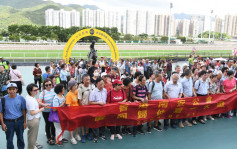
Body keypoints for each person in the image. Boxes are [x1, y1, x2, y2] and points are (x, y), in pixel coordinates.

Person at [0, 83, 27, 149]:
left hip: (19, 121)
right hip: (8, 122)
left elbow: (23, 110)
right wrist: (2, 124)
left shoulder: (21, 98)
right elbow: (0, 112)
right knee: (9, 140)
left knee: (20, 138)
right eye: (10, 89)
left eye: (13, 89)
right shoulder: (3, 100)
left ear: (17, 90)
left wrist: (24, 122)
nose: (12, 91)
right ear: (7, 90)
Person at [25, 83, 44, 149]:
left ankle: (34, 144)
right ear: (30, 91)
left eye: (37, 89)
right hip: (33, 119)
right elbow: (32, 112)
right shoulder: (31, 100)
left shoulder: (30, 97)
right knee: (32, 136)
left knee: (33, 134)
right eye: (35, 90)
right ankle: (31, 147)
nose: (37, 91)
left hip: (34, 118)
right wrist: (40, 110)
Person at [38, 78, 56, 145]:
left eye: (50, 84)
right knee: (48, 124)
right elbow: (39, 102)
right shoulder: (42, 93)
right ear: (44, 86)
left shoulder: (54, 91)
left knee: (53, 124)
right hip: (46, 111)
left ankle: (53, 136)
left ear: (52, 84)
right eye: (46, 85)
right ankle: (49, 138)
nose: (48, 86)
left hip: (54, 110)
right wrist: (44, 105)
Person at [89, 78, 107, 143]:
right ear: (96, 84)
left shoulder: (105, 90)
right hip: (96, 110)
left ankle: (102, 135)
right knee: (96, 123)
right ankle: (95, 136)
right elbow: (90, 102)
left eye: (103, 84)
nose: (102, 85)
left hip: (103, 109)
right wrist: (99, 103)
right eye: (100, 84)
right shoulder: (93, 92)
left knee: (103, 122)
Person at [78, 74, 94, 143]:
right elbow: (79, 100)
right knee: (83, 122)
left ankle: (87, 133)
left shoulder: (92, 87)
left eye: (89, 79)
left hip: (90, 108)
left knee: (88, 121)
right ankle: (83, 135)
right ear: (83, 80)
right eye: (86, 80)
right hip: (83, 108)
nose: (88, 81)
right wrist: (82, 108)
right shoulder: (80, 89)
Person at [65, 80, 81, 144]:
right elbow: (68, 106)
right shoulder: (68, 95)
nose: (76, 86)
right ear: (71, 86)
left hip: (78, 112)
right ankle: (72, 138)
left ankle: (77, 134)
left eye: (76, 85)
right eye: (74, 85)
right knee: (71, 125)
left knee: (77, 124)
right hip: (72, 113)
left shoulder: (76, 92)